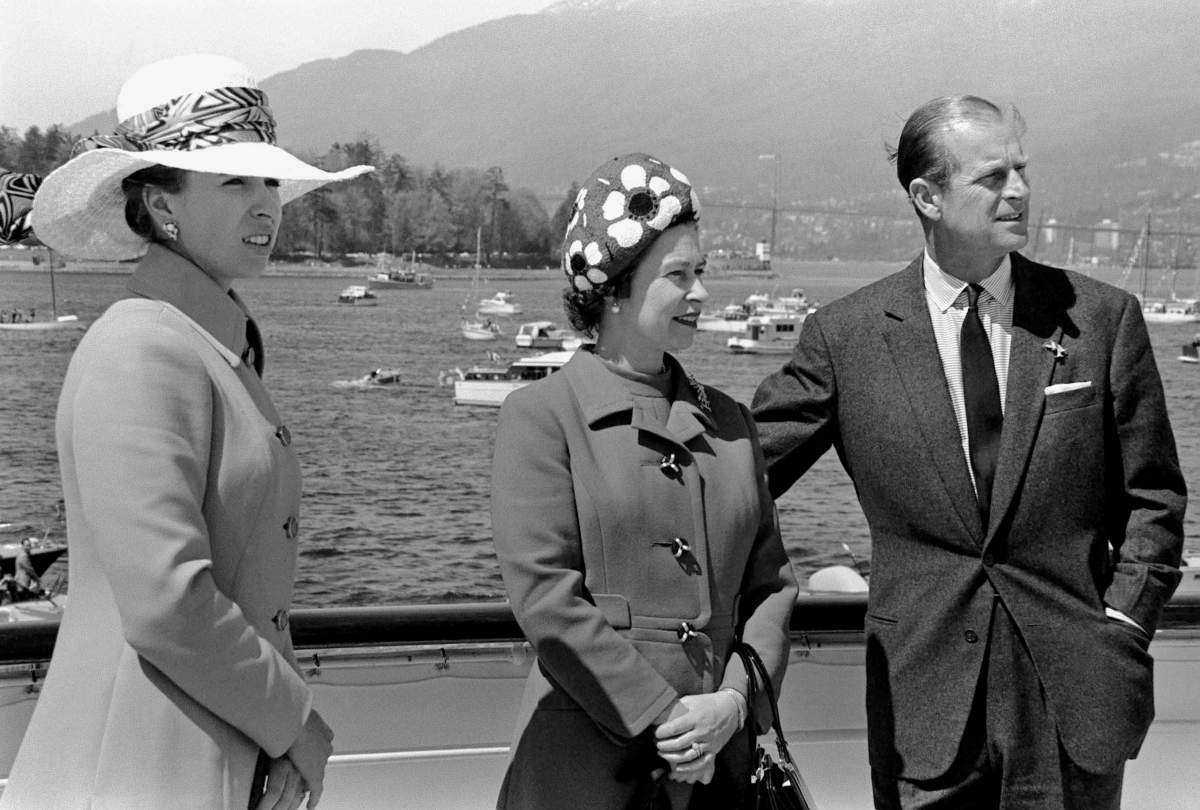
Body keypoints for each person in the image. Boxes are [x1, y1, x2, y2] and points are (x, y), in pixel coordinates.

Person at [752, 95, 1186, 809]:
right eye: (993, 178)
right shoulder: (846, 338)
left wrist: (1125, 624)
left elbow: (1155, 499)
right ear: (926, 196)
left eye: (1022, 169)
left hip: (1077, 698)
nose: (1019, 191)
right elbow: (736, 475)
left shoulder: (1102, 319)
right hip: (923, 710)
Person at [1, 54, 372, 810]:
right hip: (137, 768)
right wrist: (295, 721)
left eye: (269, 181)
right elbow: (169, 602)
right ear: (162, 205)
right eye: (235, 181)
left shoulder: (202, 347)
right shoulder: (141, 349)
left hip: (204, 757)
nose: (267, 203)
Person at [491, 153, 798, 809]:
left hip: (725, 773)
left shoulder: (733, 424)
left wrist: (734, 705)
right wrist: (667, 724)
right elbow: (545, 597)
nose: (701, 293)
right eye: (678, 276)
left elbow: (771, 588)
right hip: (583, 776)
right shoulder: (541, 418)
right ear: (617, 289)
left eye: (701, 274)